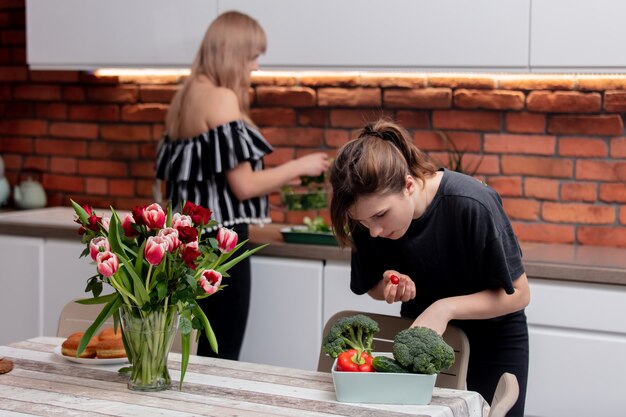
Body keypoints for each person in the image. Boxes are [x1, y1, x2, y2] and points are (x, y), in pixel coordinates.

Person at [155, 11, 330, 360]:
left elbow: (208, 176)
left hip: (189, 241)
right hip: (223, 243)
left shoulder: (185, 96)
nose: (255, 67)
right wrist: (302, 164)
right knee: (224, 352)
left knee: (203, 352)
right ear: (231, 54)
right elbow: (244, 186)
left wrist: (284, 177)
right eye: (252, 56)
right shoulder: (221, 97)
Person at [329, 118, 530, 416]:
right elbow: (370, 285)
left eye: (381, 216)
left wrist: (444, 308)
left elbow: (519, 294)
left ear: (409, 185)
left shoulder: (470, 203)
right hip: (420, 346)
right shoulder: (369, 219)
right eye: (363, 222)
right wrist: (387, 284)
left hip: (493, 345)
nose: (373, 231)